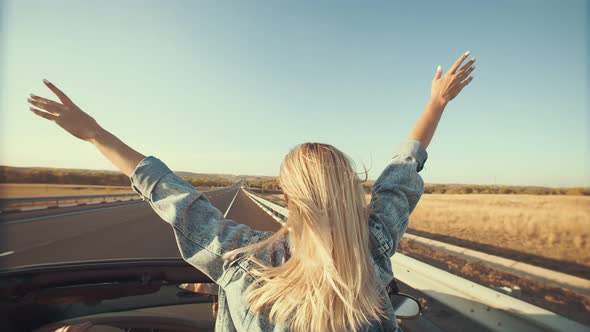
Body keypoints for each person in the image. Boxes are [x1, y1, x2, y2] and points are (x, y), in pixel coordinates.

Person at [28, 51, 475, 332]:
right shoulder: (374, 253)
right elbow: (401, 173)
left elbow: (173, 197)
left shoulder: (242, 260)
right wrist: (436, 103)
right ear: (348, 191)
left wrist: (93, 134)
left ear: (288, 197)